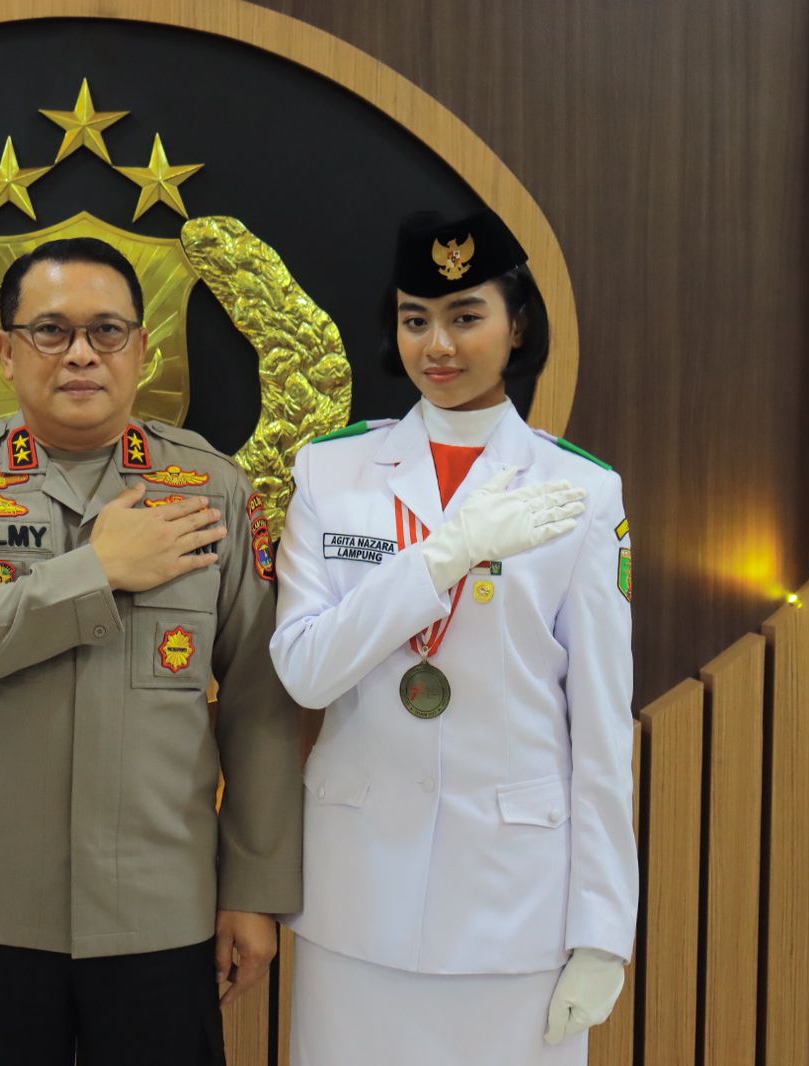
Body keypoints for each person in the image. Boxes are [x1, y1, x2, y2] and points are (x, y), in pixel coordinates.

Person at [0, 237, 303, 1066]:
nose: (80, 354)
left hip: (163, 908)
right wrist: (96, 572)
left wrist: (254, 891)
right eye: (51, 330)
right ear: (5, 352)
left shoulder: (212, 489)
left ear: (143, 350)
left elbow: (259, 701)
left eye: (107, 331)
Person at [269, 209, 637, 1065]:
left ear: (517, 328)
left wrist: (602, 931)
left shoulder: (579, 490)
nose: (437, 345)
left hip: (516, 904)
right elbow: (306, 671)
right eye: (415, 319)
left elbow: (601, 730)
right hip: (358, 892)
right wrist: (442, 557)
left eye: (466, 316)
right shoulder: (331, 471)